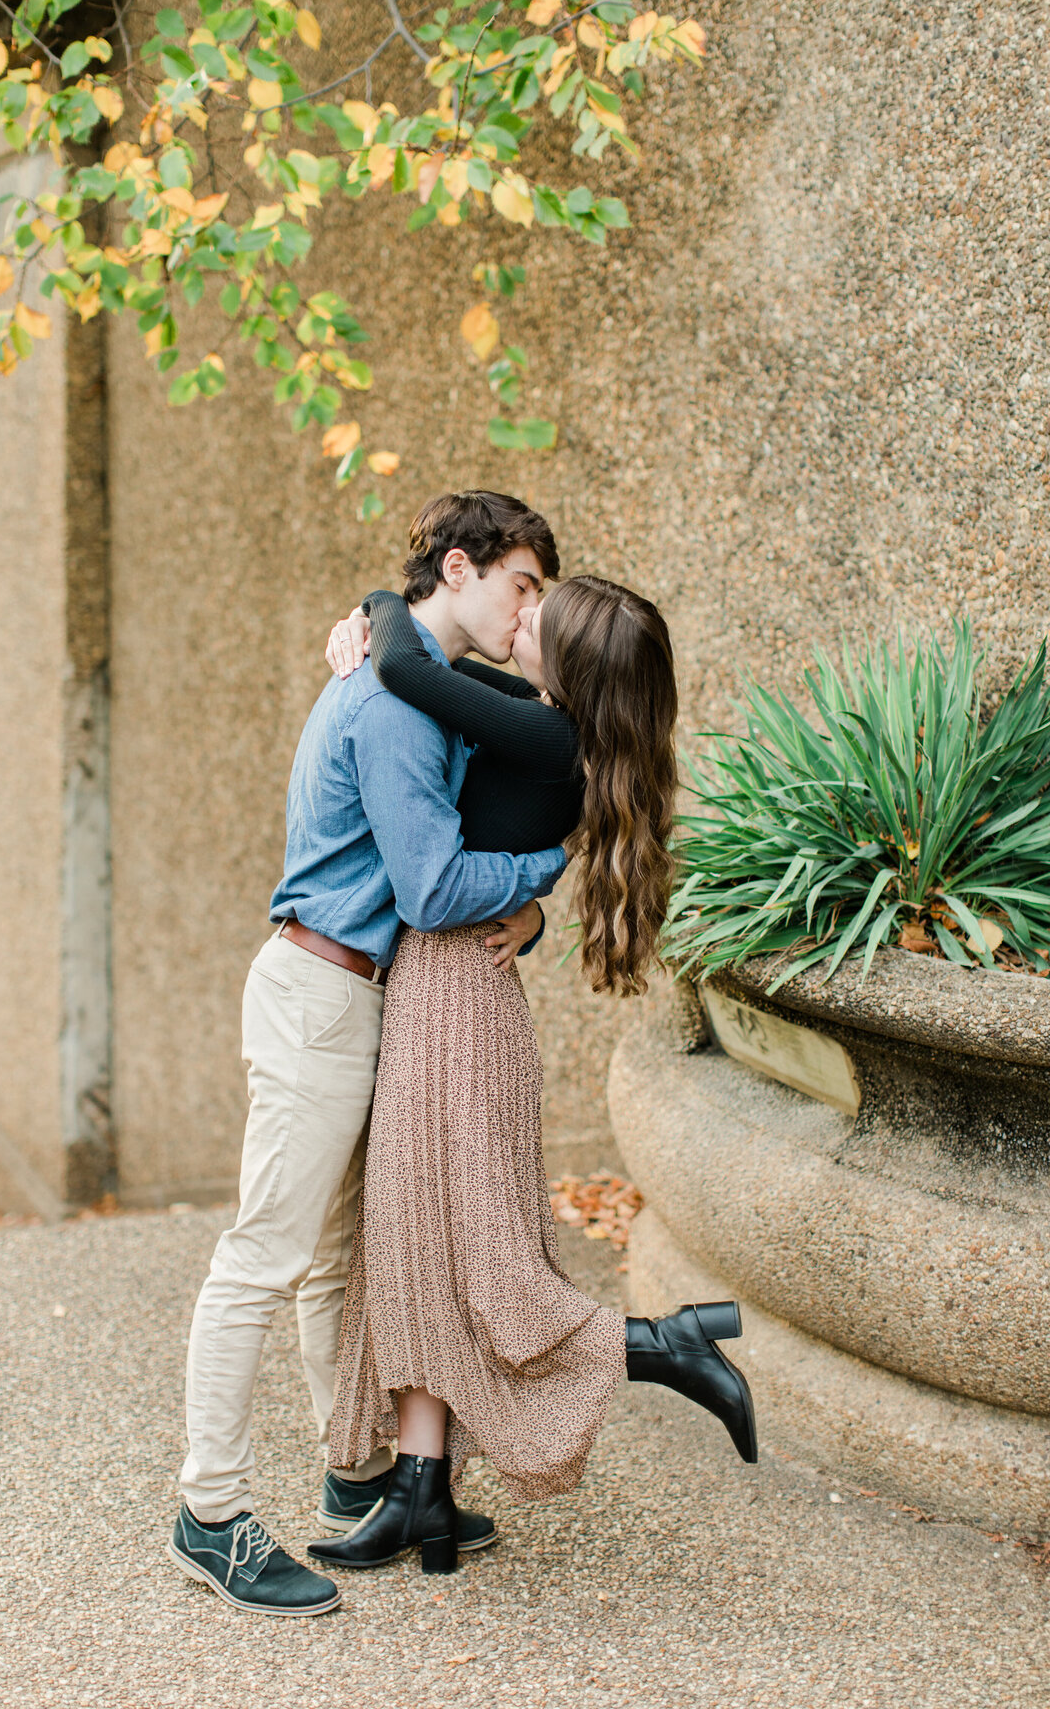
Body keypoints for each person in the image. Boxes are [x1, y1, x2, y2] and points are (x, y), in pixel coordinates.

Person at [167, 490, 568, 1616]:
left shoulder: (407, 676)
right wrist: (535, 883)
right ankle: (211, 1514)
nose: (527, 609)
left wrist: (530, 914)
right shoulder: (396, 707)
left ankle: (356, 1480)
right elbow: (436, 886)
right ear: (460, 566)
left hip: (346, 993)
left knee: (338, 1260)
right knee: (265, 1256)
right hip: (322, 995)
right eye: (522, 584)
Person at [306, 574, 757, 1577]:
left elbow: (401, 662)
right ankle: (424, 1496)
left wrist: (383, 597)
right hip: (452, 989)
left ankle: (669, 1345)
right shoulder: (543, 721)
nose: (518, 618)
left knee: (479, 1266)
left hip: (457, 1005)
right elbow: (436, 671)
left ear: (572, 664)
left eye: (535, 620)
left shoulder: (550, 740)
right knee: (416, 1245)